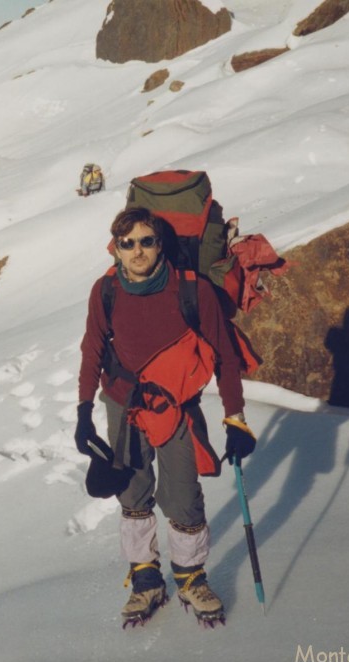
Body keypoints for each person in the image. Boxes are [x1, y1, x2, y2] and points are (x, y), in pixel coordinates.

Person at [75, 206, 257, 627]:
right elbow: (93, 350)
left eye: (146, 241)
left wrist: (236, 417)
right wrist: (84, 409)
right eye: (128, 243)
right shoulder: (105, 291)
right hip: (123, 402)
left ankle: (191, 577)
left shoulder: (191, 290)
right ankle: (146, 581)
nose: (137, 251)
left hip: (177, 406)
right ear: (116, 248)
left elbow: (226, 358)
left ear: (161, 245)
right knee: (133, 492)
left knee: (183, 492)